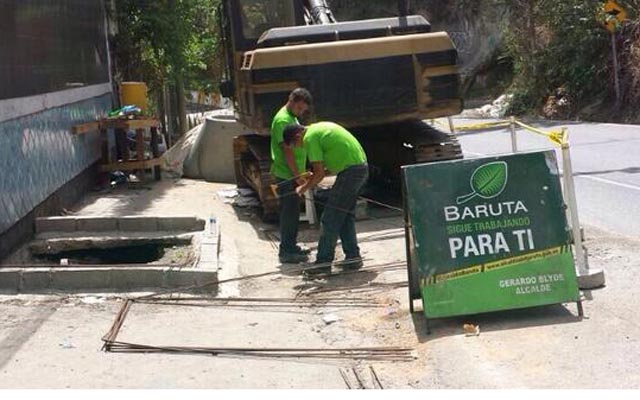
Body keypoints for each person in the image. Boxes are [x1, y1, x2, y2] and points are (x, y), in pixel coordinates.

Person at [282, 122, 368, 275]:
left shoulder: (309, 138)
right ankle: (353, 258)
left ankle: (323, 263)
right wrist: (314, 175)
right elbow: (325, 169)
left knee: (329, 218)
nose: (299, 148)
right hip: (359, 168)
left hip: (351, 172)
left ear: (297, 136)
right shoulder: (317, 129)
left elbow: (319, 174)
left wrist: (303, 188)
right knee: (344, 216)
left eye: (296, 145)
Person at [270, 88, 313, 263]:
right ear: (292, 100)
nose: (301, 112)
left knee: (293, 212)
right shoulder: (282, 120)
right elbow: (287, 151)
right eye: (300, 109)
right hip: (286, 174)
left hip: (293, 173)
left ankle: (291, 245)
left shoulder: (291, 117)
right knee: (289, 213)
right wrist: (297, 176)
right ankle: (286, 251)